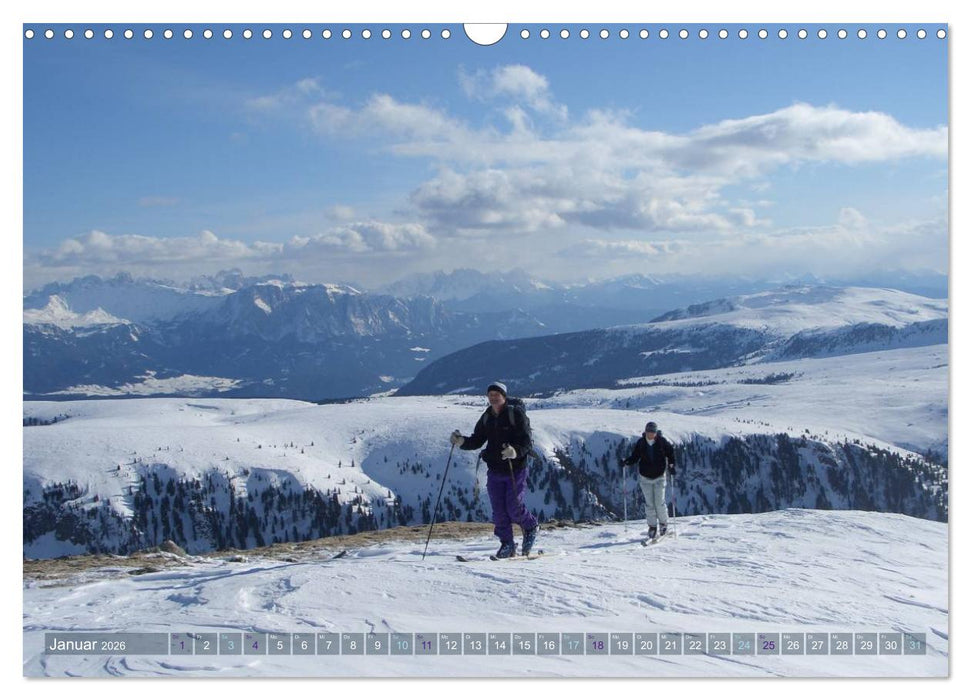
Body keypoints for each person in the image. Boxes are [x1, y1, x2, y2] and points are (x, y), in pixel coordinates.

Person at [450, 382, 538, 558]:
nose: (493, 397)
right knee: (499, 510)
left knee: (514, 507)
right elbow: (477, 440)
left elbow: (527, 443)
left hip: (515, 468)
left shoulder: (516, 415)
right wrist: (461, 442)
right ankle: (507, 544)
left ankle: (530, 527)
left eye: (497, 394)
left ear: (504, 396)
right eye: (490, 394)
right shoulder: (487, 417)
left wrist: (515, 452)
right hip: (495, 469)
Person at [622, 421, 676, 539]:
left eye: (653, 432)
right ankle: (652, 526)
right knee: (649, 504)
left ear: (656, 432)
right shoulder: (641, 443)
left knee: (659, 502)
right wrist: (627, 462)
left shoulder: (662, 442)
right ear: (645, 431)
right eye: (649, 431)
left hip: (659, 477)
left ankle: (663, 524)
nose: (651, 434)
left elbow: (670, 453)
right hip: (645, 477)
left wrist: (672, 465)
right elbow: (635, 456)